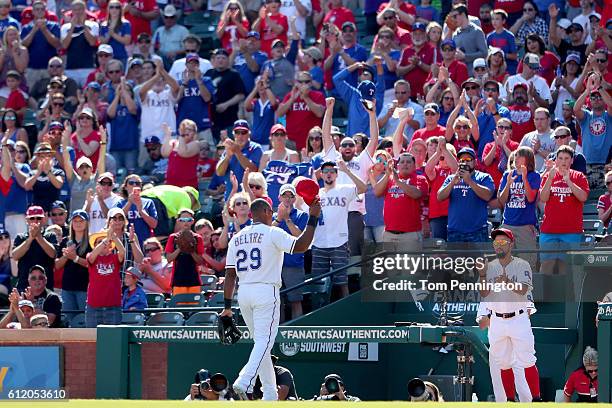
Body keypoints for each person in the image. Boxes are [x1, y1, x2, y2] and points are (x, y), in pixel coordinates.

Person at [221, 196, 321, 401]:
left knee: (261, 344)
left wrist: (227, 306)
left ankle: (269, 394)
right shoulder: (273, 232)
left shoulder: (237, 237)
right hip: (266, 291)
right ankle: (244, 379)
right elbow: (301, 245)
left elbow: (230, 275)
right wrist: (312, 218)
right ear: (266, 213)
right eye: (271, 212)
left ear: (250, 215)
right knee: (265, 342)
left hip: (244, 293)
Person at [478, 228, 541, 402]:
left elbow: (524, 289)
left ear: (511, 244)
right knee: (503, 363)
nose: (499, 246)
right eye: (496, 243)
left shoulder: (522, 264)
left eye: (503, 242)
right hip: (497, 319)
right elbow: (484, 294)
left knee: (527, 360)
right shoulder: (489, 267)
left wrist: (507, 282)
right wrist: (482, 275)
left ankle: (537, 399)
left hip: (518, 317)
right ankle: (510, 401)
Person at [312, 160, 366, 299]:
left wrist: (347, 171)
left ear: (336, 174)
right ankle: (318, 313)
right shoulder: (315, 194)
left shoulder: (344, 189)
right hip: (319, 242)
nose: (328, 174)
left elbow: (363, 188)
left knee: (342, 282)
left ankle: (346, 311)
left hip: (339, 241)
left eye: (332, 171)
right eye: (325, 172)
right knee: (318, 283)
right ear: (322, 175)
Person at [539, 145, 589, 275]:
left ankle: (564, 295)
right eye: (560, 158)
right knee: (546, 265)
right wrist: (549, 178)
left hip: (571, 231)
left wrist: (569, 182)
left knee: (566, 267)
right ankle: (543, 295)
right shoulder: (549, 175)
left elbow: (583, 197)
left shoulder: (579, 176)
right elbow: (543, 198)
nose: (563, 161)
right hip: (549, 230)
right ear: (556, 160)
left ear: (572, 160)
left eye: (567, 158)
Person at [437, 147, 494, 243]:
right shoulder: (451, 178)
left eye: (468, 160)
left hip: (477, 231)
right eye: (462, 160)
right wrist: (452, 183)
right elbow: (439, 197)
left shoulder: (484, 177)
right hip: (455, 231)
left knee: (478, 259)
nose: (465, 162)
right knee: (456, 259)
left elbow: (487, 195)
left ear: (475, 162)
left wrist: (469, 181)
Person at [374, 151, 428, 248]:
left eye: (408, 162)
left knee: (410, 263)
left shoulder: (420, 179)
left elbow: (416, 194)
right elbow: (377, 192)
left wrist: (398, 181)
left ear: (414, 166)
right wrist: (387, 175)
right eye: (402, 162)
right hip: (389, 234)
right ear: (397, 166)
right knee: (390, 263)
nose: (405, 164)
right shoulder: (390, 179)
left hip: (410, 234)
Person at [498, 146, 540, 269]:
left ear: (528, 159)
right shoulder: (507, 174)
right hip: (507, 225)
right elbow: (501, 200)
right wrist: (508, 184)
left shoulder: (534, 176)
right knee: (502, 264)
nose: (516, 159)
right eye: (515, 156)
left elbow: (531, 198)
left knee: (527, 265)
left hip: (525, 227)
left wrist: (524, 177)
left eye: (519, 156)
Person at [573, 75, 612, 190]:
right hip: (588, 165)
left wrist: (599, 88)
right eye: (593, 97)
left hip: (606, 165)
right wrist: (587, 90)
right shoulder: (586, 116)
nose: (597, 99)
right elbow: (576, 109)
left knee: (605, 199)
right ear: (589, 100)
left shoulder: (608, 115)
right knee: (588, 200)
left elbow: (611, 104)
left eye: (600, 97)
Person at [12, 206, 57, 292]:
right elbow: (15, 256)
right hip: (24, 287)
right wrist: (30, 239)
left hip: (46, 288)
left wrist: (38, 237)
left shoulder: (50, 236)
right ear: (27, 220)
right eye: (32, 218)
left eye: (39, 218)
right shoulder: (20, 237)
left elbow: (53, 254)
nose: (36, 221)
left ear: (44, 219)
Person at [276, 71, 325, 151]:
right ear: (296, 83)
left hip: (312, 142)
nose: (303, 84)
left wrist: (306, 97)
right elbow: (280, 113)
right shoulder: (290, 96)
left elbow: (320, 113)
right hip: (292, 142)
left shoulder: (318, 95)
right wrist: (292, 99)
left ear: (311, 83)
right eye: (300, 81)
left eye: (306, 81)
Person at [85, 229, 125, 327]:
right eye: (100, 242)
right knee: (93, 338)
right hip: (93, 307)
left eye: (107, 242)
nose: (104, 244)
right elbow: (91, 257)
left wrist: (114, 237)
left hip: (113, 306)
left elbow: (122, 251)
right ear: (95, 246)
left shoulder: (115, 258)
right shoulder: (91, 256)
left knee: (113, 339)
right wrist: (106, 239)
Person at [216, 120, 263, 201]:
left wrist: (237, 152)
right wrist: (228, 156)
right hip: (230, 198)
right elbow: (219, 172)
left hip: (249, 198)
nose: (240, 135)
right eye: (237, 132)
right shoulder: (230, 147)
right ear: (233, 134)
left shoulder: (256, 148)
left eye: (243, 132)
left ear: (249, 133)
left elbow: (253, 170)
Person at [206, 48, 246, 140]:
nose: (220, 60)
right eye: (218, 58)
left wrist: (226, 105)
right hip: (212, 119)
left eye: (223, 58)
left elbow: (241, 95)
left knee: (230, 147)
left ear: (228, 60)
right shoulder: (208, 74)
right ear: (214, 60)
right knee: (216, 149)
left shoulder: (234, 75)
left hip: (229, 119)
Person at [424, 137, 457, 240]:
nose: (445, 160)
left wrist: (445, 150)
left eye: (447, 156)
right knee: (439, 248)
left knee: (455, 246)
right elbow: (428, 169)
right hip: (437, 215)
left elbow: (456, 169)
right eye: (442, 158)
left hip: (455, 214)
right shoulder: (437, 170)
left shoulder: (456, 170)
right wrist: (438, 152)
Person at [60, 0, 99, 86]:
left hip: (88, 67)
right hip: (70, 68)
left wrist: (84, 25)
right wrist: (72, 26)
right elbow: (64, 45)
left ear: (85, 10)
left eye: (80, 9)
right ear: (72, 11)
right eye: (75, 9)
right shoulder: (65, 27)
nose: (78, 12)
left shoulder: (93, 25)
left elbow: (92, 42)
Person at [117, 174, 157, 246]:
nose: (134, 185)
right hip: (126, 242)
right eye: (131, 183)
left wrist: (141, 211)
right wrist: (129, 202)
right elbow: (117, 219)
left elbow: (154, 224)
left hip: (144, 242)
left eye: (137, 183)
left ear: (140, 186)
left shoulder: (148, 202)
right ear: (125, 187)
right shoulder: (120, 203)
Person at [450, 4, 487, 76]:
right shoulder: (455, 34)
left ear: (463, 14)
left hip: (474, 75)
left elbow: (484, 53)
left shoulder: (477, 31)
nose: (453, 20)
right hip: (459, 74)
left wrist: (465, 56)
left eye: (455, 16)